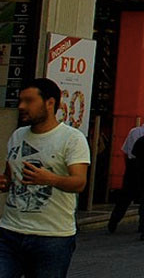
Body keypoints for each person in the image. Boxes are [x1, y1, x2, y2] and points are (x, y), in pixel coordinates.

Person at [0, 78, 90, 278]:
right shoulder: (18, 135)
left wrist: (50, 179)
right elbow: (9, 177)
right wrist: (4, 182)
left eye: (29, 101)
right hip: (9, 232)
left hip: (52, 237)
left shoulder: (72, 138)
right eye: (20, 100)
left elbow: (79, 182)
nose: (22, 106)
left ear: (50, 103)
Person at [107, 108, 144, 233]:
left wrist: (128, 165)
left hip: (132, 165)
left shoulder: (134, 131)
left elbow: (125, 150)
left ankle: (114, 220)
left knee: (125, 197)